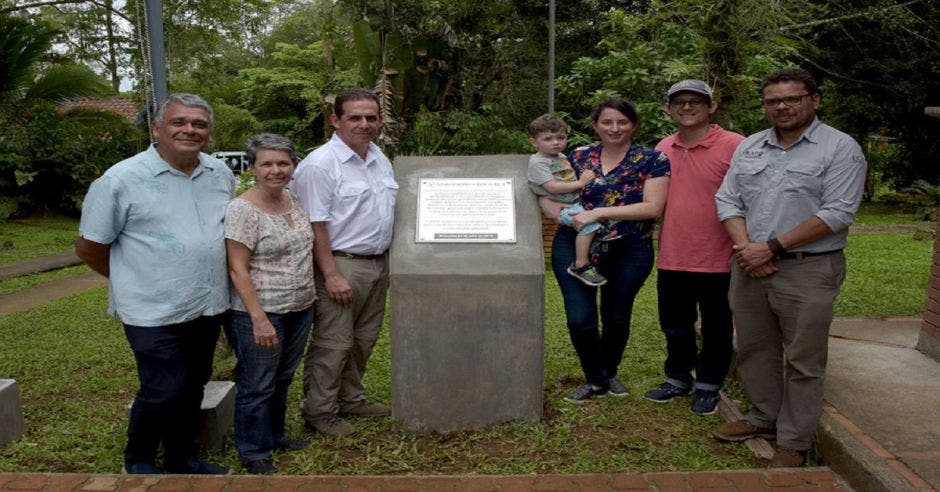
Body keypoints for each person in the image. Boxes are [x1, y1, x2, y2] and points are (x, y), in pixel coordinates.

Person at [713, 68, 866, 467]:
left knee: (803, 358)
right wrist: (749, 249)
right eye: (773, 100)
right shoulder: (750, 147)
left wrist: (773, 248)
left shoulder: (840, 148)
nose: (781, 106)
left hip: (808, 269)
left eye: (792, 98)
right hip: (749, 264)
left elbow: (838, 212)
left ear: (814, 100)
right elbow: (728, 200)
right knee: (754, 348)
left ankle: (794, 442)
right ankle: (763, 417)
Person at [75, 93, 234, 475]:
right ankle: (139, 458)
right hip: (150, 309)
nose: (189, 130)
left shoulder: (219, 174)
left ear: (209, 133)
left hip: (207, 303)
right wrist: (133, 279)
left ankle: (182, 456)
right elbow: (89, 246)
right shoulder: (121, 179)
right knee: (164, 387)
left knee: (194, 384)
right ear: (157, 129)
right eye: (179, 122)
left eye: (199, 124)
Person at [539, 97, 670, 403]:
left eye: (622, 122)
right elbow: (550, 191)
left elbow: (653, 207)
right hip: (572, 244)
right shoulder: (577, 156)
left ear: (634, 126)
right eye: (607, 122)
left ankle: (606, 373)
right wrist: (555, 212)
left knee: (616, 316)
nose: (614, 128)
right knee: (579, 318)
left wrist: (598, 214)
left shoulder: (653, 159)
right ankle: (597, 378)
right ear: (595, 125)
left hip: (629, 249)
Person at [291, 88, 398, 437]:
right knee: (333, 342)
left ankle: (351, 398)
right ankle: (319, 411)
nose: (364, 124)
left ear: (380, 120)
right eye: (355, 117)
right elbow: (314, 224)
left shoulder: (378, 157)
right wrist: (331, 274)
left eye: (371, 117)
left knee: (363, 339)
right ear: (336, 120)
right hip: (340, 264)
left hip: (377, 263)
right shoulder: (320, 165)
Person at [643, 80, 744, 416]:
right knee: (674, 324)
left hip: (719, 256)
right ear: (668, 109)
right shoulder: (662, 148)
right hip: (673, 255)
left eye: (695, 101)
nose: (687, 107)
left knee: (716, 326)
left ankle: (709, 385)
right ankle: (678, 378)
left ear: (711, 107)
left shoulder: (735, 145)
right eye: (679, 102)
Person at [223, 134, 314, 474]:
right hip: (261, 311)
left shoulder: (291, 199)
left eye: (283, 163)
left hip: (300, 306)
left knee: (283, 376)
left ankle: (275, 435)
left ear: (293, 166)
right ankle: (253, 450)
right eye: (267, 164)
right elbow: (237, 267)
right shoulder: (242, 209)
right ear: (253, 168)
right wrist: (258, 318)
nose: (276, 170)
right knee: (257, 383)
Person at [526, 114, 602, 286]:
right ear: (534, 142)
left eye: (560, 137)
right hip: (562, 208)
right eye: (548, 139)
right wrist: (581, 183)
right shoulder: (539, 163)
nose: (555, 142)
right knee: (588, 225)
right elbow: (552, 187)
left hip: (573, 203)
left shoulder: (560, 156)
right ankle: (581, 264)